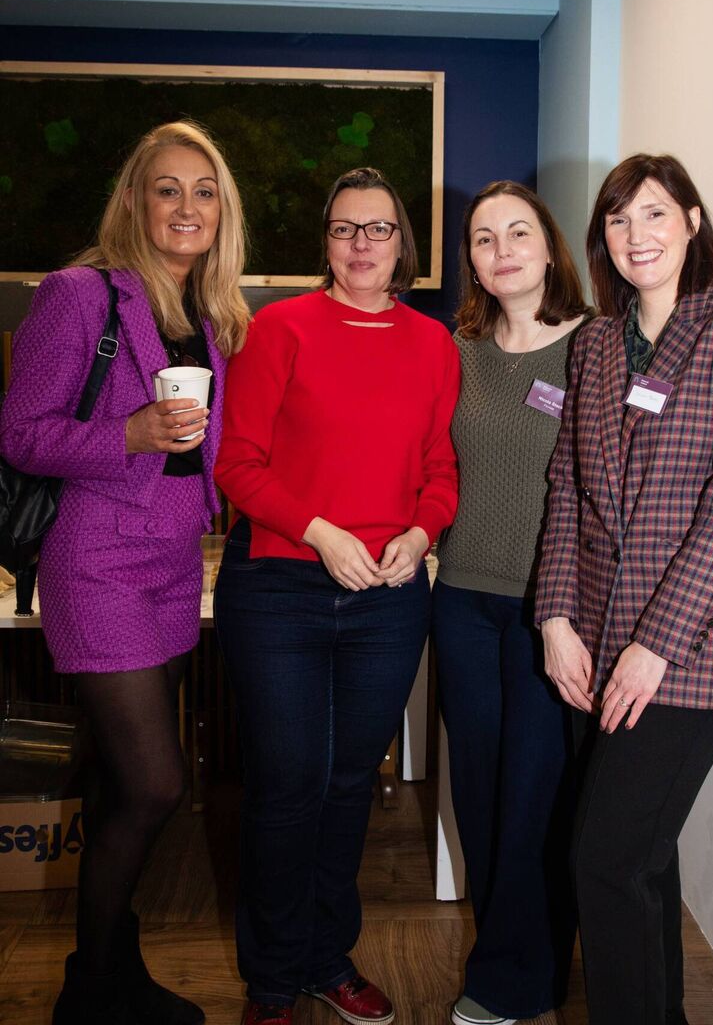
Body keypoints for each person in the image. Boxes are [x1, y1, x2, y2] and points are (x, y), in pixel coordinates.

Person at [0, 120, 249, 1025]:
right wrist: (129, 434)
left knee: (118, 780)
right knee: (156, 784)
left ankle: (107, 971)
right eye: (168, 188)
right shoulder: (77, 295)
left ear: (223, 211)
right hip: (96, 562)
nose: (187, 206)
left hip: (177, 563)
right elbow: (20, 433)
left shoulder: (207, 313)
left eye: (204, 190)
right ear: (136, 202)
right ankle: (91, 990)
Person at [536, 154, 713, 1025]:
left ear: (691, 221)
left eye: (654, 214)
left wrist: (656, 643)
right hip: (599, 640)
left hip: (696, 642)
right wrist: (557, 617)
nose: (636, 235)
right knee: (640, 859)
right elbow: (568, 487)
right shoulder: (597, 345)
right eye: (617, 219)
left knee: (605, 859)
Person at [213, 166, 460, 1025]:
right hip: (280, 586)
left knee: (351, 783)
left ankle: (328, 956)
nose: (362, 244)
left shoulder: (434, 344)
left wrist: (420, 535)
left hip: (388, 599)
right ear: (325, 241)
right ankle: (274, 977)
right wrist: (320, 531)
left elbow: (441, 468)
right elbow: (235, 463)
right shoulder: (278, 330)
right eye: (345, 229)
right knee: (288, 784)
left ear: (404, 245)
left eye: (379, 229)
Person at [432, 181, 589, 1025]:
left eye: (517, 230)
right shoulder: (458, 348)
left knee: (535, 797)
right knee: (482, 794)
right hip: (460, 601)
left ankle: (506, 984)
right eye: (484, 238)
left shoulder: (596, 344)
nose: (501, 249)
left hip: (550, 610)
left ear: (548, 242)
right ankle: (515, 964)